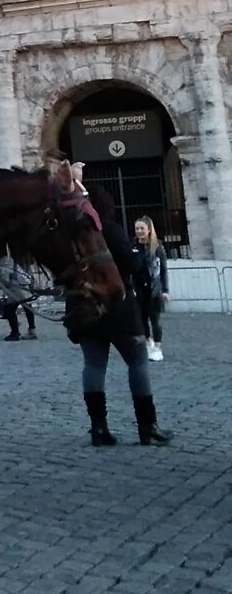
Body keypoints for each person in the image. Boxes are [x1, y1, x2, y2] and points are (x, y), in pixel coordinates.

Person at [64, 188, 172, 446]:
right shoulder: (110, 230)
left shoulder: (73, 235)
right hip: (119, 307)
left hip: (86, 307)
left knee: (93, 366)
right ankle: (148, 426)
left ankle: (98, 428)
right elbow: (132, 264)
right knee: (137, 364)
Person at [133, 216, 170, 362]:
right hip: (139, 288)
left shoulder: (157, 247)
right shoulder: (133, 246)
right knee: (142, 319)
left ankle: (158, 347)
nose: (139, 231)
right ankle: (148, 342)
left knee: (155, 320)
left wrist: (166, 290)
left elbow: (164, 270)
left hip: (154, 289)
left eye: (142, 228)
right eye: (137, 229)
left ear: (149, 229)